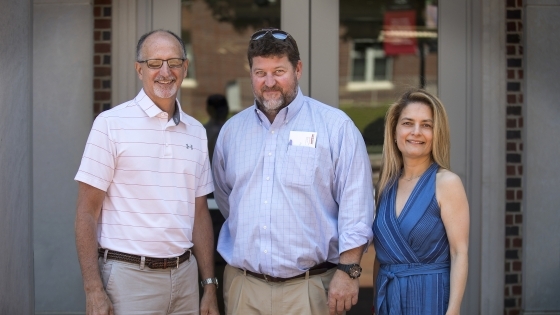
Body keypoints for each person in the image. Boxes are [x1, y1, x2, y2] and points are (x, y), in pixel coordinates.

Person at [212, 28, 375, 315]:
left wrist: (349, 271)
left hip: (311, 289)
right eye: (260, 72)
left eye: (279, 71)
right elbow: (230, 203)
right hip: (245, 289)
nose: (269, 82)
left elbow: (357, 206)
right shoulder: (231, 132)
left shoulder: (335, 128)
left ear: (297, 69)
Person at [74, 30, 219, 315]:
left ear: (185, 67)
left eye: (174, 62)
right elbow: (86, 213)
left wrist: (210, 285)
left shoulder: (196, 131)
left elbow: (199, 212)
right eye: (155, 63)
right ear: (139, 69)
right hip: (129, 280)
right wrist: (92, 289)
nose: (165, 72)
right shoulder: (110, 124)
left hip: (185, 279)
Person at [371, 89, 469, 315]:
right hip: (388, 300)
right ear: (395, 131)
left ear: (437, 134)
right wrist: (376, 303)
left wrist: (453, 311)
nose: (416, 132)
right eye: (408, 123)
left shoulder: (447, 183)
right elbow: (382, 256)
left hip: (430, 298)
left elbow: (459, 253)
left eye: (426, 125)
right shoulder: (385, 185)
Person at [204, 94, 229, 163]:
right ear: (209, 110)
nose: (220, 111)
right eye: (217, 108)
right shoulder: (202, 131)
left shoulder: (234, 129)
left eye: (222, 108)